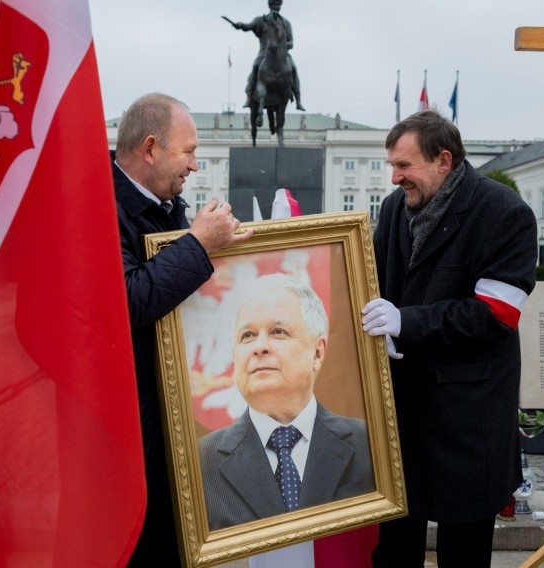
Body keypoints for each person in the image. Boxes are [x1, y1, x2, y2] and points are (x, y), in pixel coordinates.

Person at [362, 110, 537, 567]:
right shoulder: (395, 208)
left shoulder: (506, 213)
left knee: (465, 555)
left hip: (468, 423)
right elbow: (376, 286)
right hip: (402, 416)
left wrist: (406, 322)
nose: (396, 177)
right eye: (392, 166)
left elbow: (496, 314)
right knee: (394, 552)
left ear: (444, 160)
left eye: (405, 166)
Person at [113, 92, 252, 564]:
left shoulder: (165, 206)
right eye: (188, 151)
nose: (194, 165)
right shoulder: (100, 207)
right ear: (150, 148)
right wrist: (198, 245)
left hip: (171, 421)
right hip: (127, 431)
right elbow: (127, 301)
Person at [199, 274, 374, 530]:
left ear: (317, 352)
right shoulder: (199, 460)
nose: (259, 347)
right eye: (247, 335)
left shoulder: (369, 443)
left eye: (277, 332)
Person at [231, 0, 305, 111]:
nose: (276, 7)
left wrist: (282, 46)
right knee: (256, 66)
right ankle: (249, 96)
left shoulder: (286, 23)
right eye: (274, 5)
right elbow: (248, 26)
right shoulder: (261, 20)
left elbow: (291, 43)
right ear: (269, 6)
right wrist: (240, 25)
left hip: (282, 55)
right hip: (264, 52)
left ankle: (298, 100)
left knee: (293, 68)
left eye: (278, 5)